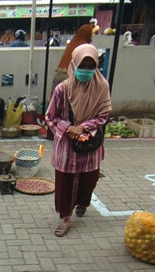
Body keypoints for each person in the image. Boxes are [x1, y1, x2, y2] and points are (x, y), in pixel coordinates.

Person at [45, 44, 112, 237]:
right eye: (83, 67)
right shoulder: (62, 89)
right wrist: (68, 129)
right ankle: (66, 218)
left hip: (90, 144)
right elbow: (50, 117)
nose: (86, 71)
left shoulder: (102, 86)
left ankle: (83, 202)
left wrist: (83, 127)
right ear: (74, 65)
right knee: (65, 184)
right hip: (67, 146)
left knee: (89, 179)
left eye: (91, 67)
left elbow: (103, 115)